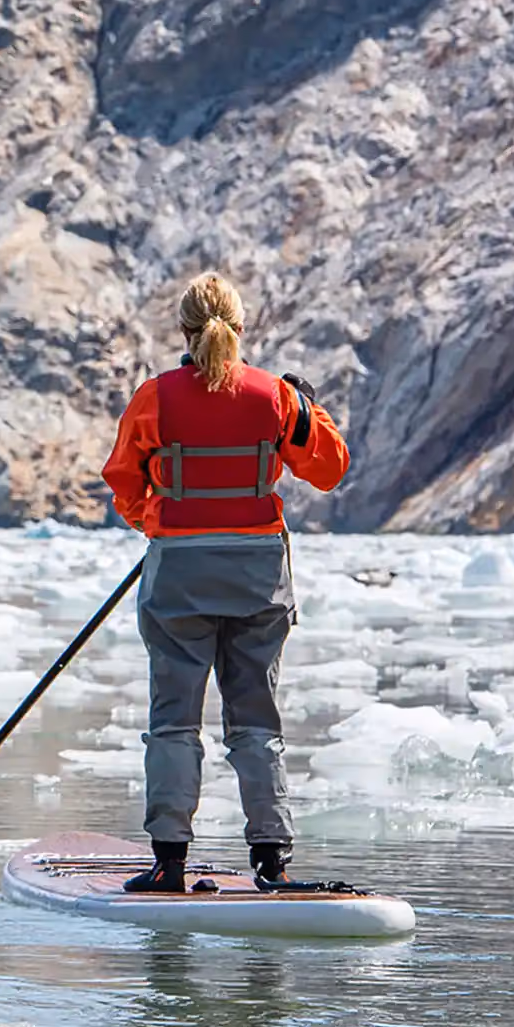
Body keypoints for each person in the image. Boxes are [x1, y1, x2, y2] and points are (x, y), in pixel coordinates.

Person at [100, 272, 351, 893]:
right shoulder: (276, 398)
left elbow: (125, 486)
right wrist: (307, 408)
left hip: (179, 574)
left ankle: (169, 863)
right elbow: (328, 470)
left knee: (173, 719)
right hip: (258, 578)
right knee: (256, 719)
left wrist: (165, 524)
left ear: (183, 329)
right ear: (240, 327)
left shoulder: (154, 397)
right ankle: (272, 861)